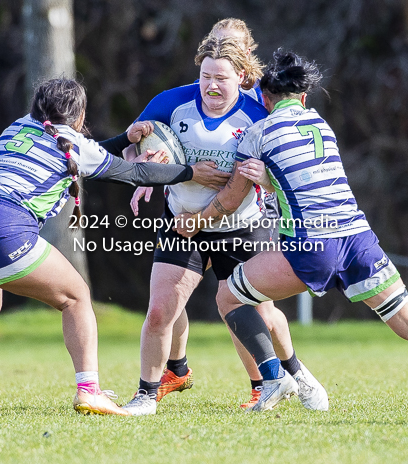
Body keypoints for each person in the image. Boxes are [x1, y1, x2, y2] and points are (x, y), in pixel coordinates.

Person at [175, 50, 408, 413]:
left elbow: (231, 198)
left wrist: (194, 215)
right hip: (359, 239)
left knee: (230, 297)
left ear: (264, 98)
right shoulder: (322, 125)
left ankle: (274, 378)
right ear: (304, 98)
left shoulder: (258, 132)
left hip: (313, 241)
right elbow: (306, 181)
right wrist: (272, 182)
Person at [0, 77, 217, 417]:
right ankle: (89, 391)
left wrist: (125, 138)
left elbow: (75, 154)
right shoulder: (76, 143)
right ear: (79, 117)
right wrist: (189, 172)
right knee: (76, 297)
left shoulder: (18, 126)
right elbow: (132, 173)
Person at [119, 36, 327, 417]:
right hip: (183, 223)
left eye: (222, 78)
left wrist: (266, 179)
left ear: (243, 77)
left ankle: (293, 372)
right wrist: (146, 158)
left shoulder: (258, 115)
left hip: (241, 226)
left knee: (259, 312)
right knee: (160, 310)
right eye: (205, 76)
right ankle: (146, 395)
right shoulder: (171, 104)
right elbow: (131, 153)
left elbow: (281, 169)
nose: (212, 85)